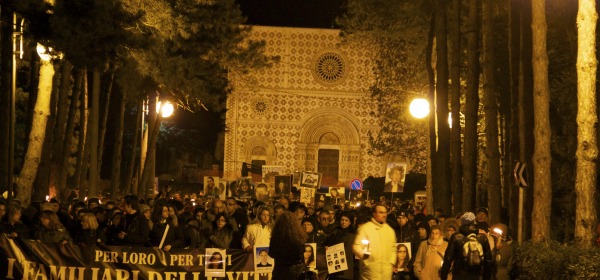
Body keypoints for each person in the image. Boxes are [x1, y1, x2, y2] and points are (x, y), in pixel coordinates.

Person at [440, 212, 493, 280]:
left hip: (459, 274)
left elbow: (448, 258)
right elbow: (488, 260)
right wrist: (486, 277)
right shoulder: (483, 238)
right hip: (476, 275)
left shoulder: (456, 237)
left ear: (462, 223)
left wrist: (443, 276)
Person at [352, 204, 397, 280]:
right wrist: (364, 256)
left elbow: (393, 249)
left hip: (386, 274)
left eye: (385, 212)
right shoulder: (365, 229)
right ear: (374, 214)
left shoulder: (390, 231)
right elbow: (357, 246)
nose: (384, 215)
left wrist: (391, 263)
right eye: (381, 212)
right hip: (369, 274)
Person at [269, 211, 307, 279]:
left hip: (280, 270)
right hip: (296, 271)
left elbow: (271, 253)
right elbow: (302, 251)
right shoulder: (298, 237)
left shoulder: (276, 238)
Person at [324, 211, 356, 280]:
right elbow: (328, 243)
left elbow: (349, 252)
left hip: (345, 268)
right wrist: (327, 248)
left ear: (350, 222)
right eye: (342, 220)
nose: (343, 222)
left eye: (346, 220)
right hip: (334, 266)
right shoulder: (335, 231)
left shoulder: (352, 234)